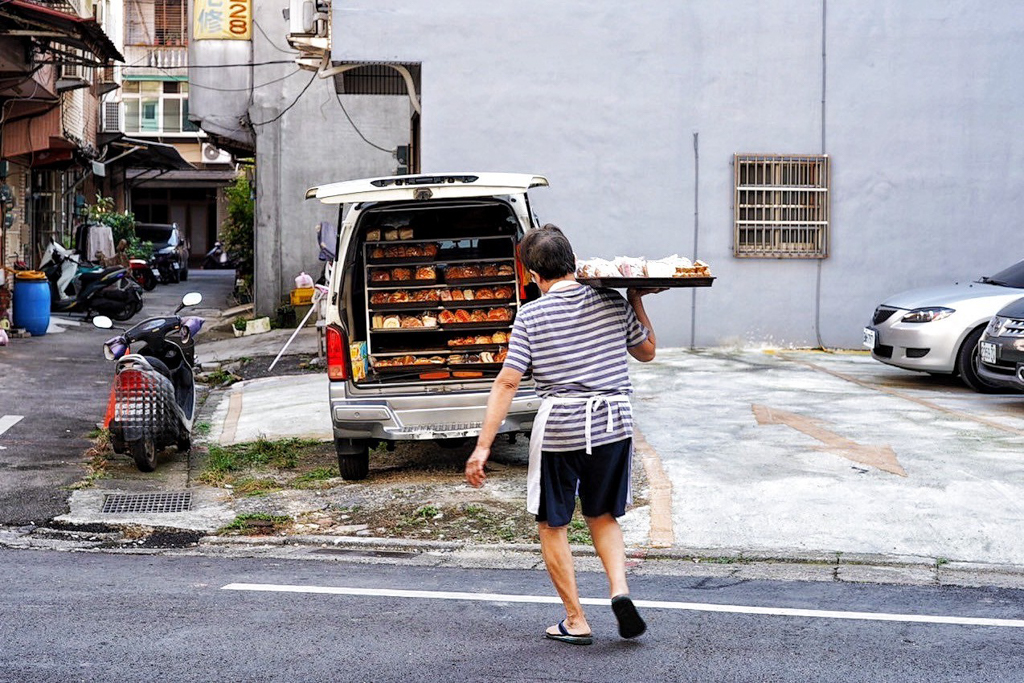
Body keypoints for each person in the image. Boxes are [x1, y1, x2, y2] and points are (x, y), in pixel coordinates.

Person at [465, 224, 661, 645]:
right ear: (572, 263)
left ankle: (576, 620)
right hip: (614, 422)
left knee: (554, 523)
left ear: (533, 275)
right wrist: (636, 299)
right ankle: (620, 591)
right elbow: (647, 352)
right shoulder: (611, 300)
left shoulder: (532, 315)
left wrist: (483, 447)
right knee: (601, 514)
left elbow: (507, 382)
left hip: (561, 426)